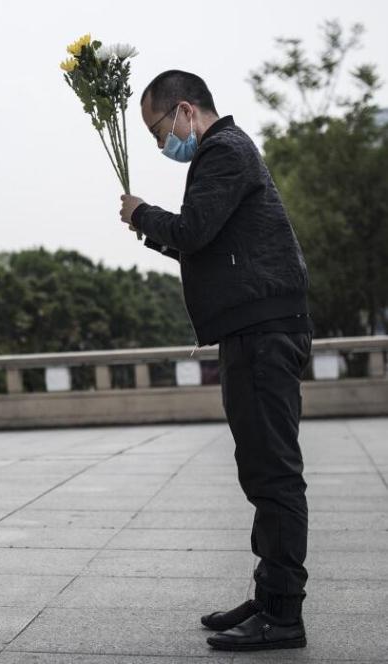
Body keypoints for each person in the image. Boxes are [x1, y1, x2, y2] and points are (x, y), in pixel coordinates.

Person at [119, 70, 313, 652]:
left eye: (159, 131)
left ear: (185, 112)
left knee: (273, 473)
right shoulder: (226, 152)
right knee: (261, 471)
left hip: (263, 331)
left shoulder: (224, 151)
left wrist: (140, 214)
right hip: (252, 330)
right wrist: (152, 226)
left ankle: (283, 616)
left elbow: (193, 230)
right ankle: (269, 594)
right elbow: (200, 237)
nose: (161, 145)